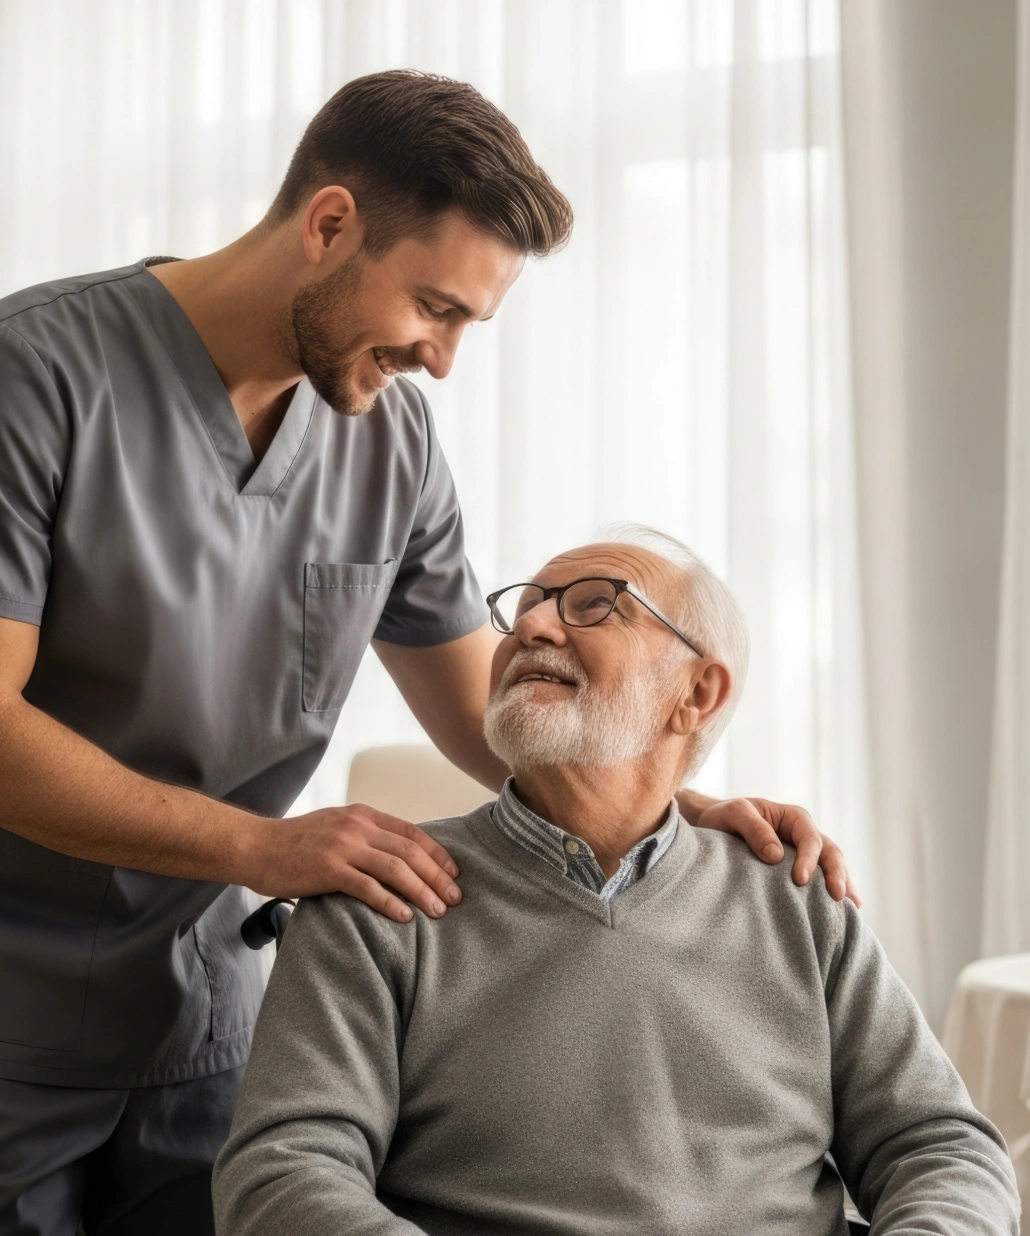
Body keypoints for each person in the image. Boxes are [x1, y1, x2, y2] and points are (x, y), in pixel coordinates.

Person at [0, 73, 853, 1235]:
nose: (444, 359)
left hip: (206, 1027)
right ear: (330, 223)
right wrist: (264, 845)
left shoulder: (385, 436)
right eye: (435, 309)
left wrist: (675, 809)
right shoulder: (34, 377)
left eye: (468, 325)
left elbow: (483, 714)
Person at [212, 526, 1020, 1236]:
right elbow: (283, 1176)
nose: (530, 624)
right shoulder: (377, 898)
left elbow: (942, 1149)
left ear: (696, 694)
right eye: (525, 605)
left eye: (593, 605)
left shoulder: (794, 897)